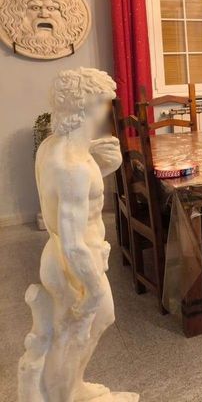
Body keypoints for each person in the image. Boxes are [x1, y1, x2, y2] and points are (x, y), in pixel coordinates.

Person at [18, 68, 136, 402]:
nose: (107, 112)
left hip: (64, 256)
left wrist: (104, 166)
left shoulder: (52, 147)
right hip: (74, 262)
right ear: (88, 106)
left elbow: (66, 198)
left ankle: (71, 387)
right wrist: (94, 289)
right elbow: (72, 242)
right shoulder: (73, 166)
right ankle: (63, 394)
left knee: (87, 326)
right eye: (104, 103)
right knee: (75, 332)